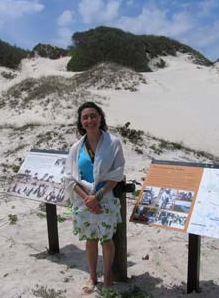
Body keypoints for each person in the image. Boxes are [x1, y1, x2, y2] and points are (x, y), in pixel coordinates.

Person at [64, 101, 125, 294]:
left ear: (100, 118)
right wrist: (87, 198)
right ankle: (92, 276)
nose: (90, 120)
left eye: (93, 116)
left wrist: (97, 196)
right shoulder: (76, 148)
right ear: (81, 122)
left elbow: (117, 174)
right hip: (84, 202)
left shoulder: (113, 143)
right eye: (85, 117)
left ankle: (107, 277)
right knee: (90, 240)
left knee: (107, 239)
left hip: (105, 199)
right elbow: (69, 177)